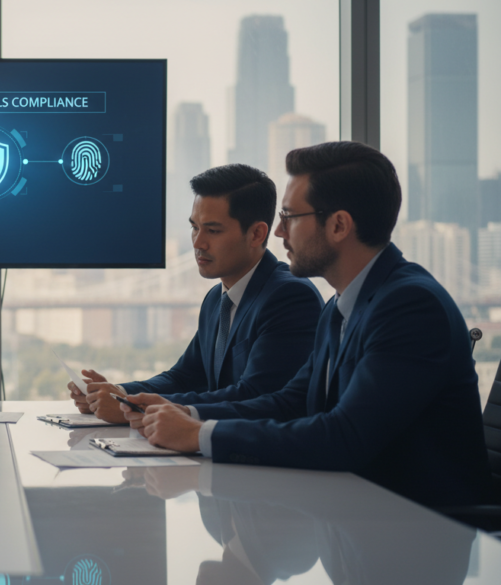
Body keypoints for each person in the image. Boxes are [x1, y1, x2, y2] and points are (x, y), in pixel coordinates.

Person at [124, 142, 491, 506]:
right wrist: (187, 416)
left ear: (338, 225)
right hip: (356, 525)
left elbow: (345, 436)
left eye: (289, 217)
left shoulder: (410, 306)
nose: (279, 233)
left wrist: (202, 435)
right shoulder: (339, 306)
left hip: (420, 536)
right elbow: (290, 402)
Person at [72, 164, 324, 423]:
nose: (197, 242)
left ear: (257, 234)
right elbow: (183, 377)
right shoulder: (217, 299)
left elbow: (256, 395)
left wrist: (136, 408)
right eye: (195, 227)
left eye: (213, 231)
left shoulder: (289, 296)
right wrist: (120, 393)